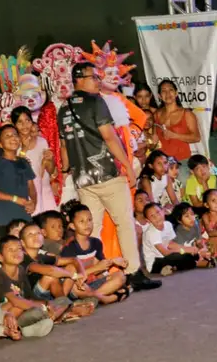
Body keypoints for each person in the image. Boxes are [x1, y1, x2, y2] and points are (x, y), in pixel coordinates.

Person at [58, 62, 159, 291]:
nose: (97, 81)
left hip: (83, 179)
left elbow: (64, 148)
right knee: (124, 222)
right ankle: (133, 272)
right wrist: (128, 166)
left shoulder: (64, 109)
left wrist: (65, 170)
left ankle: (95, 274)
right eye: (92, 77)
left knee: (91, 230)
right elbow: (110, 137)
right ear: (79, 79)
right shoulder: (96, 102)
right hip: (107, 174)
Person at [0, 234, 70, 329]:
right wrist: (43, 307)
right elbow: (16, 301)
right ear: (0, 257)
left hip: (24, 310)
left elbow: (30, 297)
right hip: (4, 313)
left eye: (19, 249)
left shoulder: (21, 270)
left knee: (63, 302)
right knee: (17, 306)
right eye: (11, 250)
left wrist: (47, 304)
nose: (17, 252)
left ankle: (46, 320)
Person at [60, 204, 130, 304]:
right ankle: (107, 298)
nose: (87, 224)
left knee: (120, 276)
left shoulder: (96, 243)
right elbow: (71, 276)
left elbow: (98, 271)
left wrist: (112, 262)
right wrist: (97, 268)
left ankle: (95, 297)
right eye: (81, 221)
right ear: (72, 226)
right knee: (74, 287)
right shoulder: (69, 248)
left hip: (92, 283)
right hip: (78, 286)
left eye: (89, 220)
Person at [0, 124, 37, 240]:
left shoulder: (23, 162)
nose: (13, 138)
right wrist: (15, 199)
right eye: (7, 136)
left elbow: (31, 187)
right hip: (4, 219)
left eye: (15, 135)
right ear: (0, 144)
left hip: (24, 217)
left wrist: (33, 202)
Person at [141, 202, 211, 276]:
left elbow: (171, 244)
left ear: (163, 211)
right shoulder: (151, 233)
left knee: (189, 253)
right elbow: (165, 252)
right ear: (148, 220)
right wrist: (184, 250)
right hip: (155, 262)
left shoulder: (168, 224)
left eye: (158, 212)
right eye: (152, 216)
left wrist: (188, 249)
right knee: (179, 256)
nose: (157, 217)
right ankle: (197, 263)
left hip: (169, 256)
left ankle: (172, 267)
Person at [153, 79, 201, 181]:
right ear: (159, 96)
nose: (167, 93)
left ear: (176, 93)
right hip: (162, 165)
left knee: (182, 195)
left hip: (181, 163)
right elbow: (154, 140)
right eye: (164, 91)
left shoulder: (187, 113)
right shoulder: (156, 114)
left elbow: (196, 137)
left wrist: (175, 135)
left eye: (170, 90)